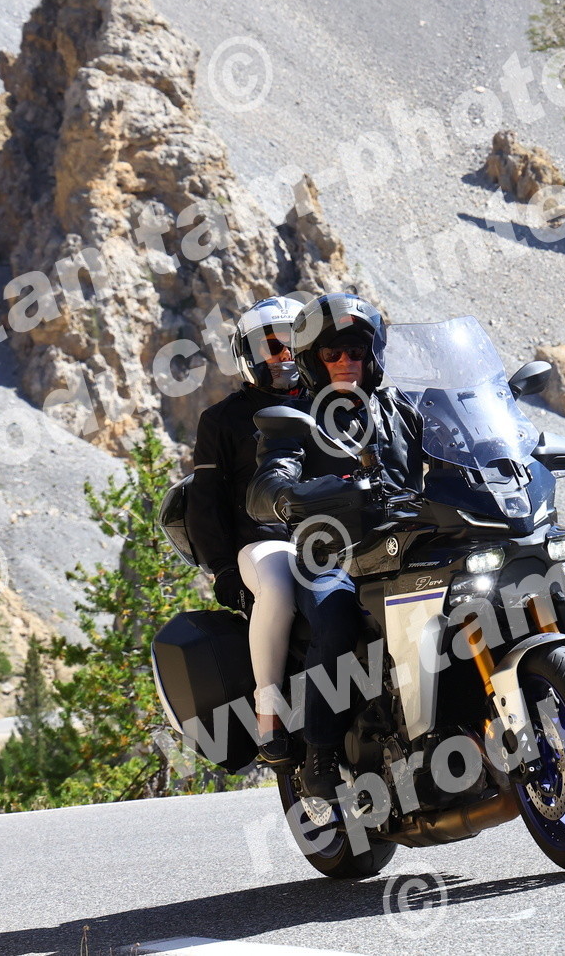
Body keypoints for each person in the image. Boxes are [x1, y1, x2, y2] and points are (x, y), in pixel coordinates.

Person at [247, 293, 425, 800]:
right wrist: (290, 494)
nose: (346, 361)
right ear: (312, 360)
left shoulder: (404, 409)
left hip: (411, 542)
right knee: (335, 615)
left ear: (373, 356)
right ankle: (320, 750)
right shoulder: (295, 418)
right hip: (333, 557)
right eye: (332, 353)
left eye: (356, 351)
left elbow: (456, 451)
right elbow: (267, 483)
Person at [187, 295, 307, 768]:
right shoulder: (222, 420)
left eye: (292, 344)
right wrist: (222, 569)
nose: (283, 355)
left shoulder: (332, 403)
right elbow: (205, 502)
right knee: (277, 587)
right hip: (264, 543)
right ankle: (269, 710)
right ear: (248, 355)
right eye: (271, 346)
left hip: (336, 539)